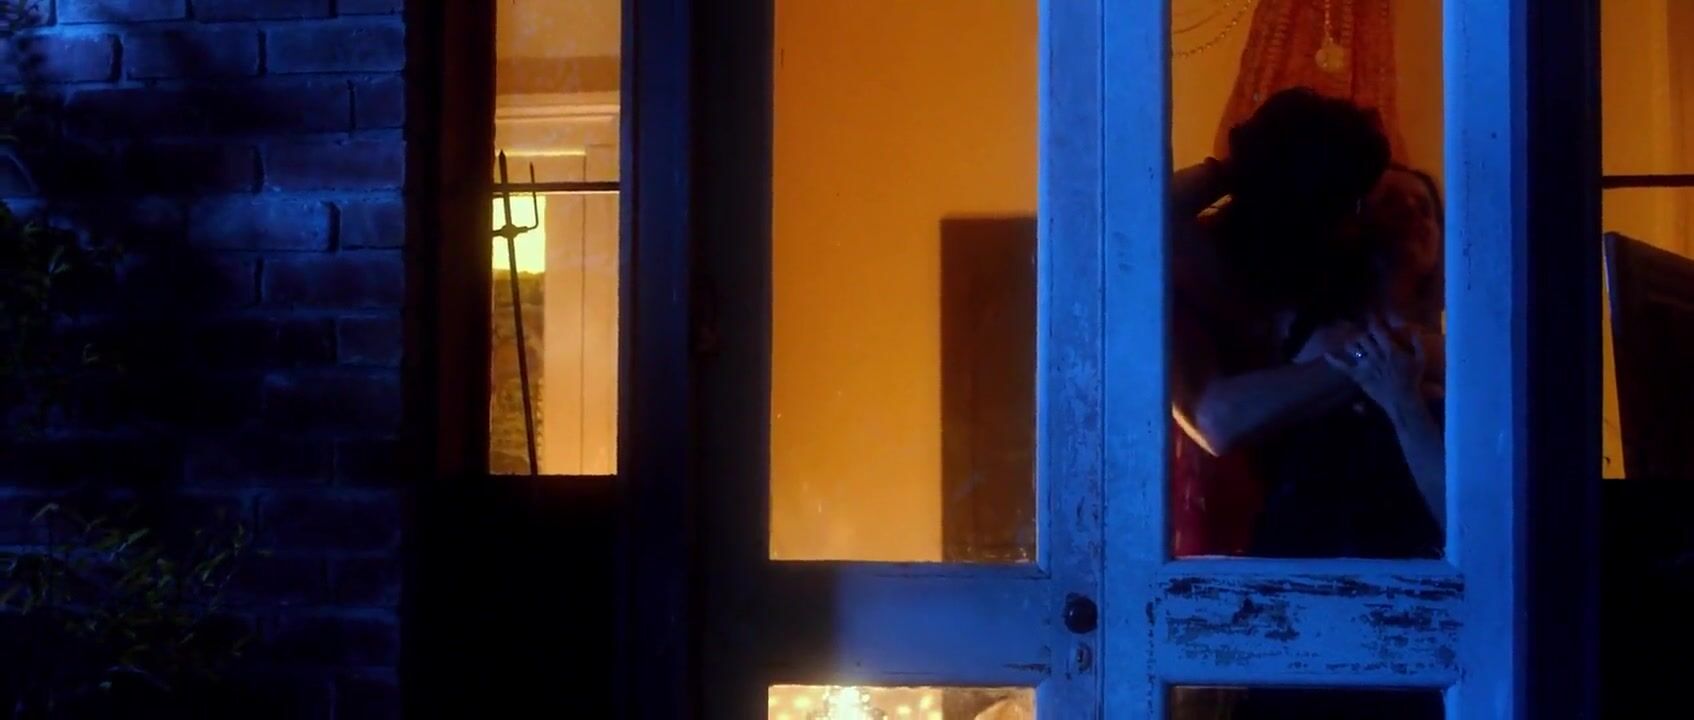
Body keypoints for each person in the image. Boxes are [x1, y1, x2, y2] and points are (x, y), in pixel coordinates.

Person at [1169, 87, 1393, 556]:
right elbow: (1216, 419)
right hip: (1230, 549)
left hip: (1348, 535)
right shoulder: (1190, 262)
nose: (1347, 219)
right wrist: (1229, 170)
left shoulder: (1342, 275)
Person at [1246, 165, 1447, 560]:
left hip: (1419, 576)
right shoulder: (1292, 330)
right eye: (1390, 202)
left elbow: (1471, 519)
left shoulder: (1459, 355)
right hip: (1293, 572)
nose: (1413, 214)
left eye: (1425, 209)